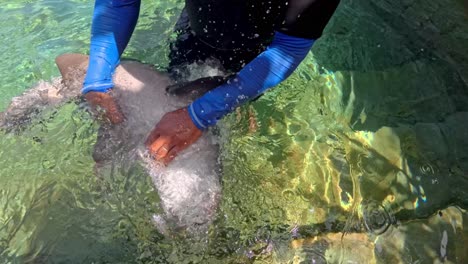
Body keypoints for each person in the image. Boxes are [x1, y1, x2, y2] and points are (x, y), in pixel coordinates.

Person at [83, 0, 340, 164]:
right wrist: (97, 80)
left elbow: (287, 49)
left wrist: (199, 115)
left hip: (256, 49)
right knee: (177, 83)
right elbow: (118, 3)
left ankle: (237, 112)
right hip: (198, 25)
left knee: (225, 116)